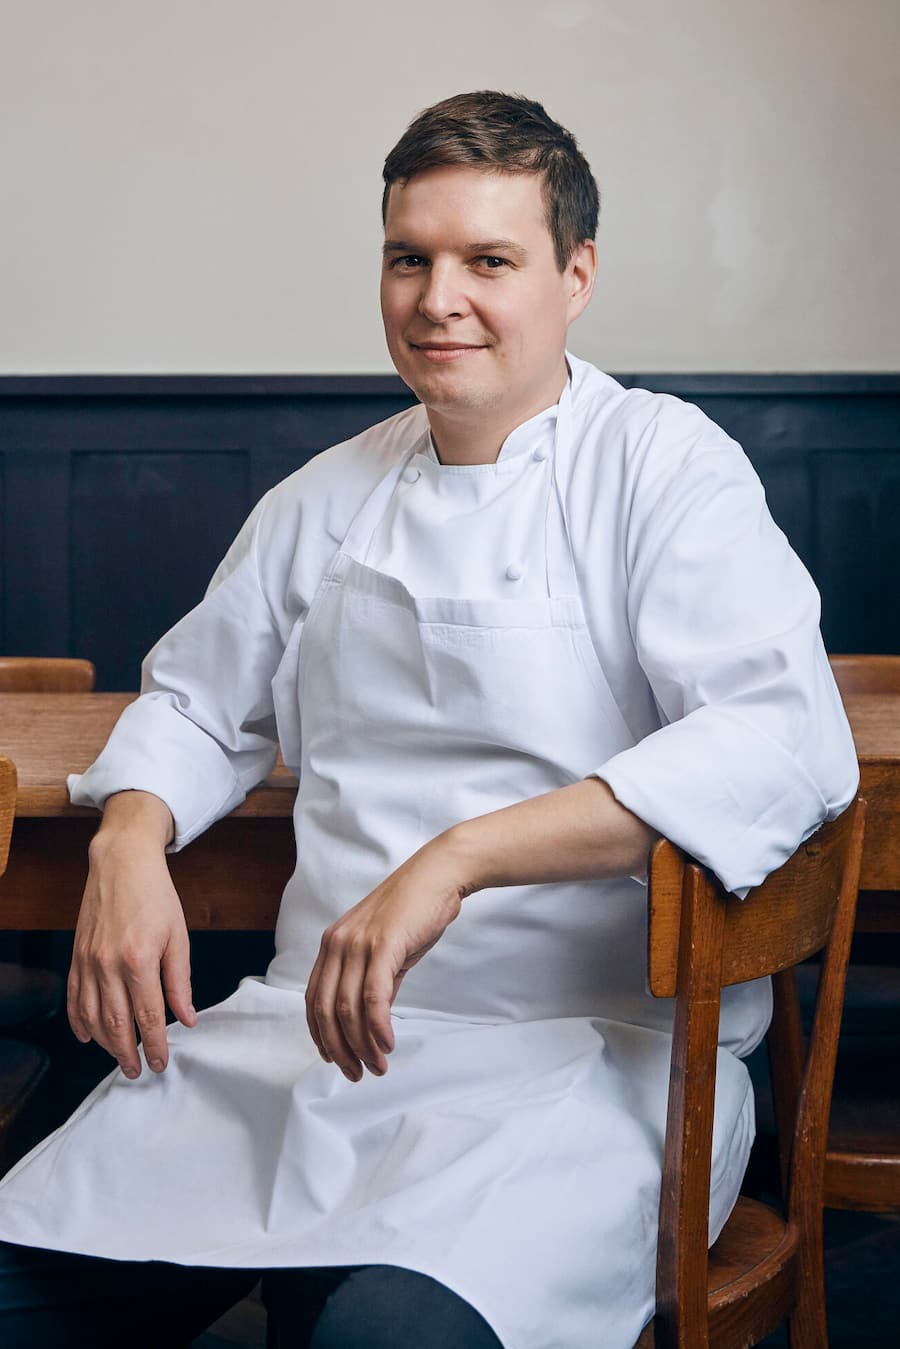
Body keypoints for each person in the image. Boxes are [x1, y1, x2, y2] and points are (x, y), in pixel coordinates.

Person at [0, 91, 858, 1348]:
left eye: (488, 261)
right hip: (309, 1050)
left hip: (593, 1072)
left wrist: (456, 858)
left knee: (388, 1333)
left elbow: (780, 737)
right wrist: (130, 840)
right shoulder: (326, 494)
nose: (437, 297)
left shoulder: (665, 469)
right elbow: (193, 698)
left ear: (577, 275)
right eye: (411, 257)